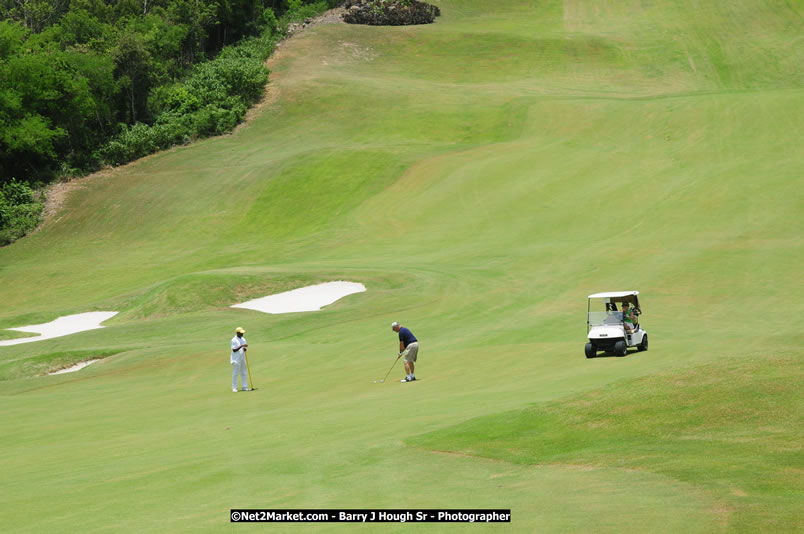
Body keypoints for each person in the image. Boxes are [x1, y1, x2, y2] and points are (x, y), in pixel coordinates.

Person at [230, 327, 250, 392]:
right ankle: (234, 388)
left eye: (242, 333)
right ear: (237, 333)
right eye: (241, 333)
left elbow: (244, 347)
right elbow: (234, 350)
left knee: (244, 372)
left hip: (242, 357)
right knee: (235, 373)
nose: (242, 334)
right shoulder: (234, 340)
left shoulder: (243, 339)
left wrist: (244, 348)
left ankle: (244, 387)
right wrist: (242, 346)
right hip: (236, 359)